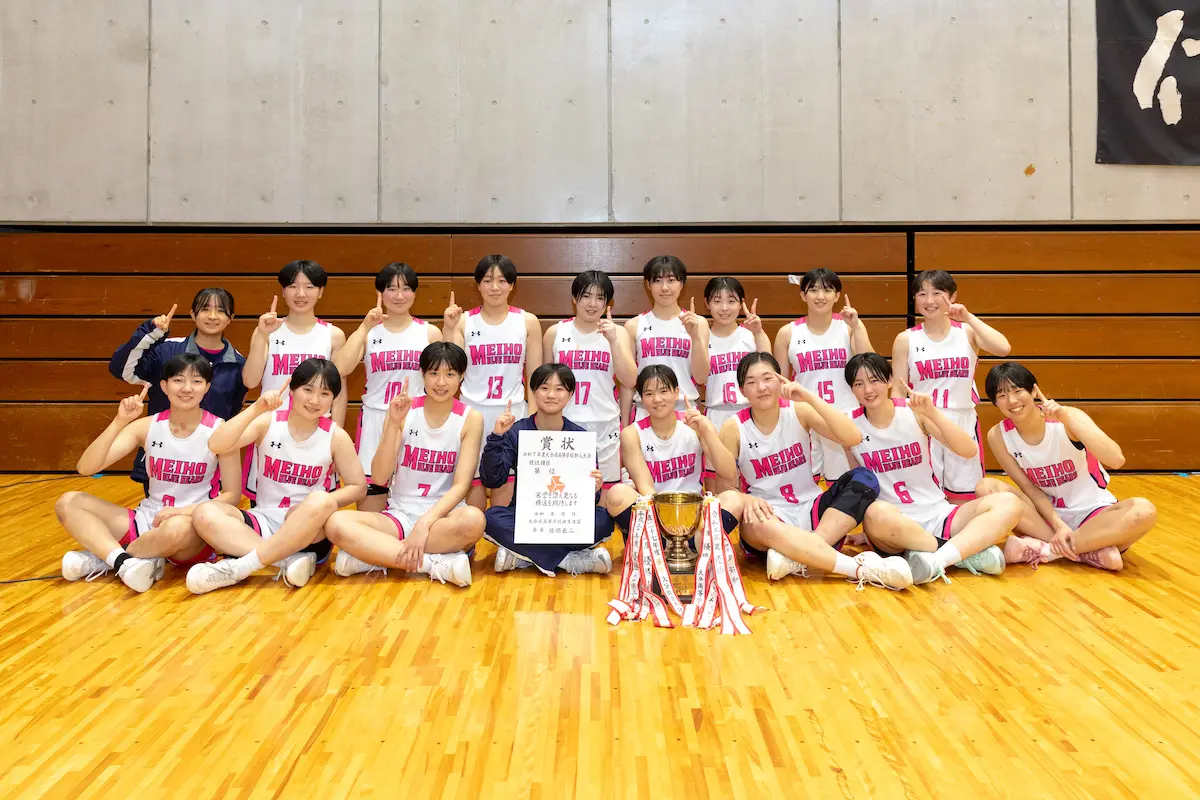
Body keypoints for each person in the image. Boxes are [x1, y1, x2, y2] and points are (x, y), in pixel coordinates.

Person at [714, 353, 912, 590]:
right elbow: (726, 488)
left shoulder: (799, 411)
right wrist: (747, 500)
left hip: (811, 510)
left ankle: (800, 554)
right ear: (742, 390)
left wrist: (809, 397)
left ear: (781, 380)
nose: (761, 387)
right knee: (756, 523)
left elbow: (853, 437)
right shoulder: (733, 427)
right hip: (769, 514)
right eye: (751, 382)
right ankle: (858, 569)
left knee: (864, 479)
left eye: (767, 378)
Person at [57, 354, 242, 592]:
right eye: (178, 380)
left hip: (191, 528)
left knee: (176, 528)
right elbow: (87, 468)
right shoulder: (147, 427)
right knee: (68, 502)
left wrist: (184, 511)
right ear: (164, 386)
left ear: (206, 387)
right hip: (146, 520)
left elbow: (232, 496)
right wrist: (119, 421)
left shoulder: (220, 430)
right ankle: (127, 562)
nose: (187, 388)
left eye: (196, 381)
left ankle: (109, 558)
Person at [185, 359, 366, 594]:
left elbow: (358, 487)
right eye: (308, 390)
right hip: (263, 520)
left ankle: (241, 567)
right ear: (292, 389)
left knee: (321, 499)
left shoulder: (336, 436)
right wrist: (256, 409)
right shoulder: (268, 422)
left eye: (324, 394)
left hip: (309, 532)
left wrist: (312, 506)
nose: (314, 400)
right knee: (204, 512)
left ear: (333, 399)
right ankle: (284, 561)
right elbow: (216, 444)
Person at [844, 353, 1022, 585]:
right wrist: (868, 531)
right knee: (874, 514)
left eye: (874, 380)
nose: (868, 389)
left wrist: (933, 412)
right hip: (893, 522)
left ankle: (937, 558)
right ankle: (962, 553)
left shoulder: (914, 412)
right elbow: (860, 484)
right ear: (852, 389)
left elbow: (968, 450)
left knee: (1009, 503)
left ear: (889, 380)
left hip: (938, 514)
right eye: (858, 384)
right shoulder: (849, 425)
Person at [325, 343, 484, 587]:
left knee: (475, 520)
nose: (441, 382)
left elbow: (461, 486)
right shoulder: (404, 410)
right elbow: (379, 477)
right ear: (422, 374)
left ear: (462, 377)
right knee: (336, 523)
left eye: (450, 374)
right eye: (434, 373)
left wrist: (425, 523)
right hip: (399, 516)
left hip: (442, 517)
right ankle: (431, 563)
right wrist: (392, 424)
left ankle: (376, 555)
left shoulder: (471, 418)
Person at [978, 362, 1156, 571]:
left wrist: (1066, 418)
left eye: (1018, 391)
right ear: (995, 402)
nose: (1012, 401)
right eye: (1002, 395)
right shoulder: (998, 436)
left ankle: (1049, 551)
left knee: (1144, 511)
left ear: (1034, 391)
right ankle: (1088, 549)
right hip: (1047, 517)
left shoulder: (1068, 417)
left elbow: (1116, 460)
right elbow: (1029, 488)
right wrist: (1059, 525)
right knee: (986, 488)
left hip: (1094, 512)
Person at [482, 363, 614, 576]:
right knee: (491, 518)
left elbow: (590, 500)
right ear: (533, 392)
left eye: (559, 389)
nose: (551, 395)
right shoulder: (517, 431)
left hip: (567, 517)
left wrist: (594, 489)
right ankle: (567, 560)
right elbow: (492, 479)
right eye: (544, 388)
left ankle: (525, 556)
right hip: (527, 516)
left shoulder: (580, 437)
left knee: (603, 519)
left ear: (570, 395)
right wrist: (497, 437)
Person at [108, 287, 246, 490]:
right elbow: (121, 370)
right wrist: (149, 334)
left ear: (230, 318)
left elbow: (231, 412)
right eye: (205, 309)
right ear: (193, 314)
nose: (212, 316)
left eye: (221, 310)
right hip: (161, 463)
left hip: (207, 468)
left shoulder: (238, 364)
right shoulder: (167, 350)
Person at [891, 270, 1010, 502]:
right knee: (926, 495)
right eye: (922, 294)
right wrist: (899, 429)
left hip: (961, 420)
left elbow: (1003, 348)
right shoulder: (905, 339)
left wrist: (969, 317)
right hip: (922, 423)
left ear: (952, 296)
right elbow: (897, 389)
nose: (929, 300)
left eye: (937, 293)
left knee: (964, 495)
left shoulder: (967, 332)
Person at [334, 262, 442, 513]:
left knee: (414, 501)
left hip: (415, 421)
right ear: (380, 293)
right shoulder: (369, 333)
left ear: (414, 293)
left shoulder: (429, 333)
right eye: (391, 289)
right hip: (376, 419)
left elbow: (443, 382)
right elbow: (340, 368)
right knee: (372, 501)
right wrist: (364, 327)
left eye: (406, 288)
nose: (399, 296)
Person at [242, 260, 347, 505]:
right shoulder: (267, 331)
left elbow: (339, 392)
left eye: (309, 287)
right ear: (283, 291)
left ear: (320, 291)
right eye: (293, 286)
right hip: (272, 430)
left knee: (315, 506)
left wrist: (336, 441)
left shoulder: (333, 335)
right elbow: (250, 380)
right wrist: (262, 336)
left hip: (316, 431)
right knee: (267, 505)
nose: (301, 294)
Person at [444, 254, 543, 510]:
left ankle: (499, 532)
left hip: (512, 413)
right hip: (473, 412)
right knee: (473, 481)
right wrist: (449, 328)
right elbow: (451, 367)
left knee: (505, 482)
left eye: (502, 280)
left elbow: (535, 377)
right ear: (478, 285)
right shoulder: (464, 321)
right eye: (487, 280)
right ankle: (474, 531)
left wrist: (533, 420)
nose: (495, 287)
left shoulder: (527, 321)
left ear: (512, 285)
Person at [603, 365, 735, 535]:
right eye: (649, 394)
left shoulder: (694, 425)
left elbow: (728, 472)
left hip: (693, 513)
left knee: (733, 499)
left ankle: (692, 541)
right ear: (641, 398)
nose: (657, 399)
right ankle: (665, 543)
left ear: (676, 392)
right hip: (656, 517)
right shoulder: (632, 434)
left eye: (664, 391)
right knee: (617, 494)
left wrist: (706, 432)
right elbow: (646, 488)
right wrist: (672, 524)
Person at [773, 268, 873, 483]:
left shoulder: (848, 327)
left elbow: (871, 366)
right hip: (805, 419)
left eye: (827, 290)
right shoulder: (787, 333)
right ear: (803, 295)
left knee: (843, 485)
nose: (820, 296)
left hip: (843, 416)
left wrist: (857, 326)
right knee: (806, 484)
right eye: (813, 290)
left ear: (837, 296)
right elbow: (780, 384)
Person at [544, 270, 637, 499]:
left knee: (607, 496)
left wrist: (614, 342)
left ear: (607, 303)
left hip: (605, 425)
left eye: (599, 297)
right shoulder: (555, 333)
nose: (592, 303)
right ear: (574, 298)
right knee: (563, 491)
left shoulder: (619, 333)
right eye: (586, 296)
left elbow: (630, 380)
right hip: (564, 424)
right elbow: (542, 385)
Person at [623, 256, 709, 422]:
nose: (664, 287)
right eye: (657, 281)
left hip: (683, 411)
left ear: (681, 284)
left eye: (671, 280)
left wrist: (696, 337)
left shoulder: (698, 323)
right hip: (645, 410)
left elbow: (701, 377)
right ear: (648, 285)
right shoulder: (634, 325)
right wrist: (625, 424)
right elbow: (628, 383)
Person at [703, 277, 769, 491]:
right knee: (716, 484)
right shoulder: (701, 339)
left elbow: (769, 368)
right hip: (715, 414)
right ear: (707, 303)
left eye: (731, 301)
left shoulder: (750, 336)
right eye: (717, 301)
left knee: (753, 482)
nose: (724, 308)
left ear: (741, 304)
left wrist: (759, 332)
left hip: (748, 414)